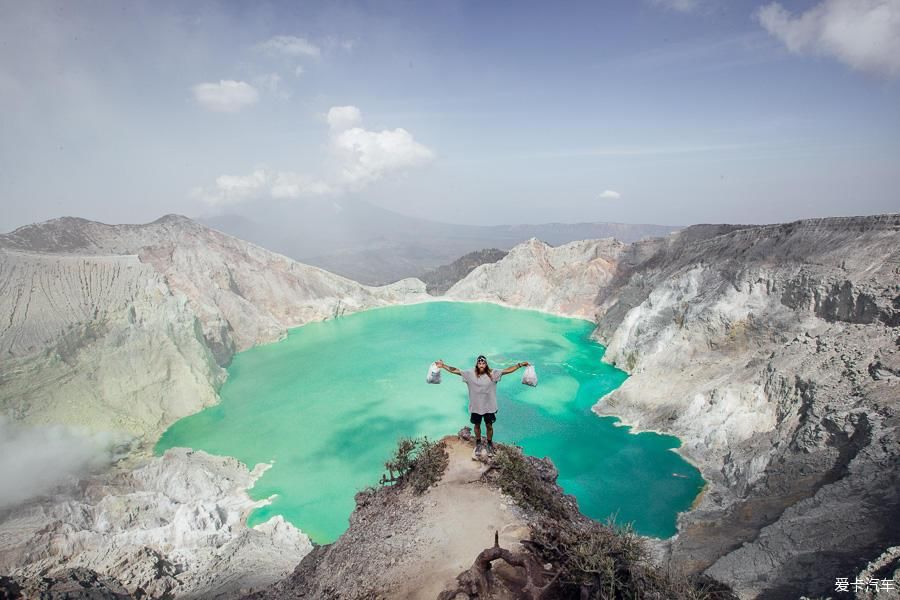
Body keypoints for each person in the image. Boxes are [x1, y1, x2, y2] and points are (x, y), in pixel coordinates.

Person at [434, 355, 530, 458]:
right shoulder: (470, 374)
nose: (481, 365)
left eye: (483, 363)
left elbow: (508, 370)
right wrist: (443, 366)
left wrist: (520, 365)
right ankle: (478, 443)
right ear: (477, 364)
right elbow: (455, 370)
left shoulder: (493, 374)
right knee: (477, 426)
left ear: (486, 364)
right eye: (479, 363)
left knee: (489, 426)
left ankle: (489, 443)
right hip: (476, 407)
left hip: (489, 407)